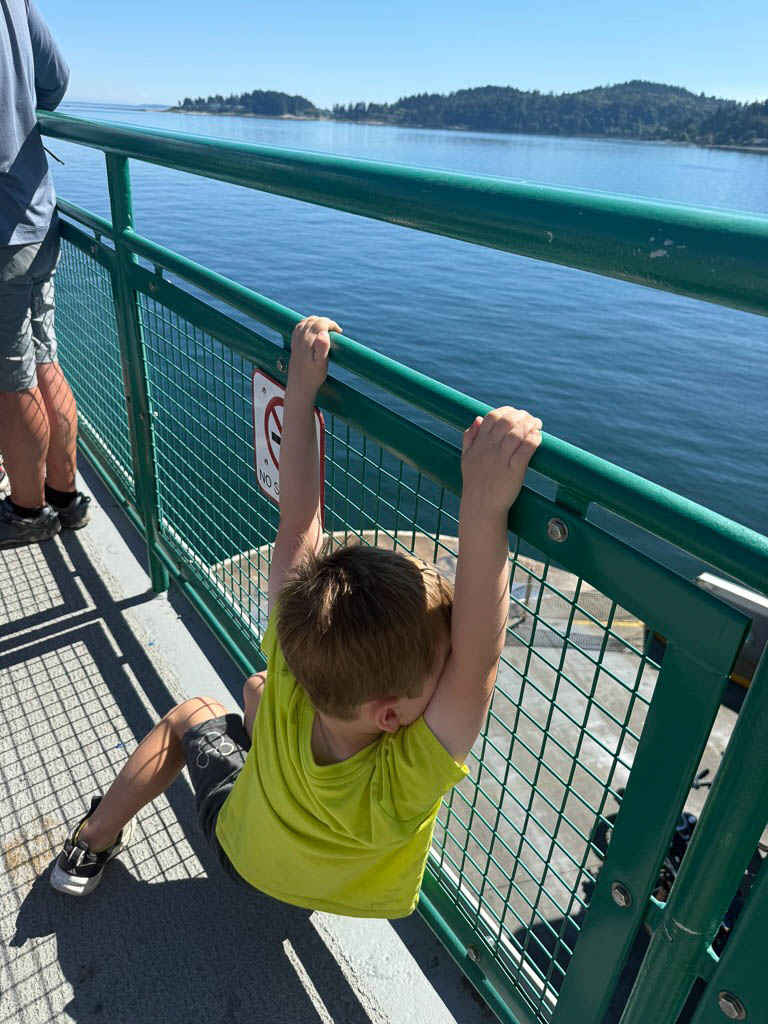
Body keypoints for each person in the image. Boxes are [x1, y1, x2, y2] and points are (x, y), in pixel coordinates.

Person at [51, 316, 542, 917]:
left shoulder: (292, 655)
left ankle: (90, 842)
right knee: (253, 694)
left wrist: (300, 390)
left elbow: (299, 521)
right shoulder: (409, 775)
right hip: (351, 894)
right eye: (441, 669)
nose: (451, 672)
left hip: (247, 858)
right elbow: (480, 657)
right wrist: (486, 503)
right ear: (390, 715)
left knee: (201, 712)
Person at [0, 1, 90, 548]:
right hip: (34, 213)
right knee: (44, 357)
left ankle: (27, 512)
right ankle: (64, 497)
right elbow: (54, 80)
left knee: (12, 382)